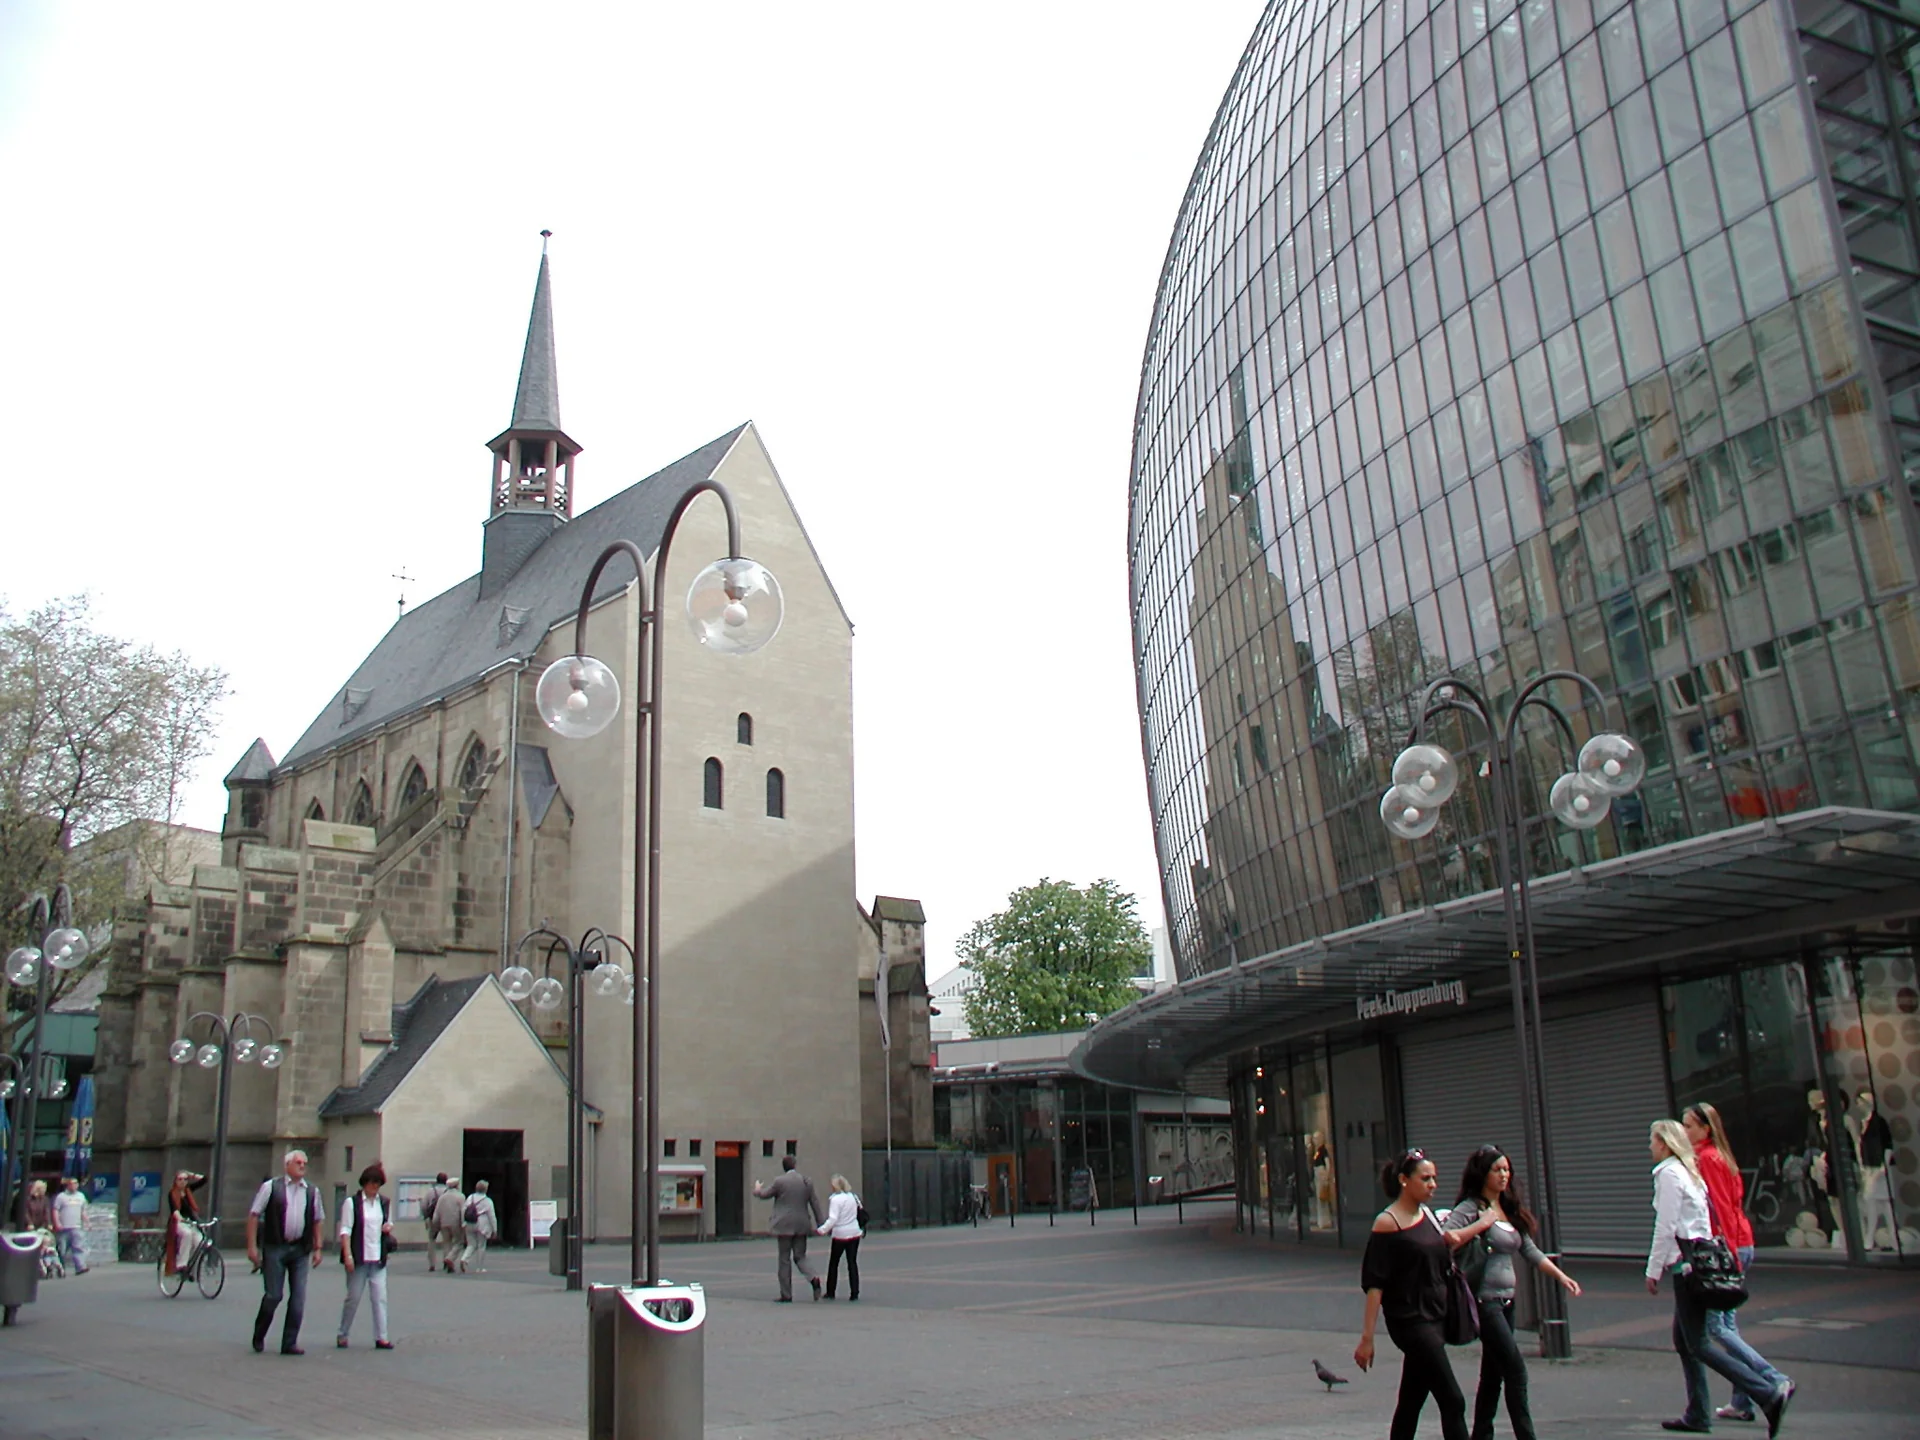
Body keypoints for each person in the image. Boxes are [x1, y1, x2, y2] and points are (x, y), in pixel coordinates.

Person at [1646, 1119, 1794, 1435]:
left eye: (1652, 1141)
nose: (1649, 1147)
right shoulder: (1690, 1172)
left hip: (1685, 1267)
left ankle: (1767, 1392)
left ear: (1664, 1144)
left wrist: (1652, 1269)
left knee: (1698, 1343)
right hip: (1697, 1263)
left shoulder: (1670, 1174)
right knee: (1685, 1341)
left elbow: (1667, 1226)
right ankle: (1698, 1413)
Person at [1355, 1148, 1496, 1440]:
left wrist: (1483, 1223)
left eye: (1435, 1178)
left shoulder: (1428, 1215)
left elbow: (1450, 1244)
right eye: (1426, 1178)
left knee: (1411, 1399)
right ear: (1405, 1180)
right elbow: (1374, 1284)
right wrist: (1367, 1338)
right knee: (1453, 1399)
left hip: (1435, 1314)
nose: (1433, 1184)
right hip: (1409, 1320)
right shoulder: (1387, 1223)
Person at [1444, 1146, 1582, 1440]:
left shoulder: (1509, 1207)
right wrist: (1481, 1225)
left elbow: (1529, 1250)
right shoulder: (1471, 1207)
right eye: (1497, 1170)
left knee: (1493, 1374)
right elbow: (1448, 1239)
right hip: (1485, 1300)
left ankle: (1481, 1434)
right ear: (1483, 1174)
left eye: (1507, 1170)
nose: (1504, 1175)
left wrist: (1560, 1275)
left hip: (1507, 1301)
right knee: (1516, 1369)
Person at [1683, 1104, 1788, 1425]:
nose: (1684, 1132)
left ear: (1705, 1129)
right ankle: (1741, 1401)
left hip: (1730, 1245)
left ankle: (1773, 1379)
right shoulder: (1720, 1157)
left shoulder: (1706, 1159)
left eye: (1689, 1126)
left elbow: (1721, 1209)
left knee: (1718, 1328)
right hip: (1740, 1242)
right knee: (1728, 1326)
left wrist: (1725, 1254)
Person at [246, 1148, 325, 1355]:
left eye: (304, 1163)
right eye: (298, 1162)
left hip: (300, 1248)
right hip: (275, 1247)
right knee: (273, 1295)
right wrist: (252, 1246)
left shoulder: (311, 1191)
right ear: (287, 1165)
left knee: (298, 1297)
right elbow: (254, 1215)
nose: (302, 1166)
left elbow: (317, 1219)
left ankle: (289, 1342)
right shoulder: (271, 1187)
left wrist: (318, 1248)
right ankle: (259, 1333)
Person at [336, 1163, 395, 1350]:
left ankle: (382, 1337)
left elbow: (388, 1222)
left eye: (377, 1184)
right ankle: (343, 1333)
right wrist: (348, 1255)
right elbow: (345, 1229)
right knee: (353, 1297)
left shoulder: (384, 1203)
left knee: (380, 1298)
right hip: (359, 1256)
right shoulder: (352, 1203)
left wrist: (387, 1228)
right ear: (364, 1183)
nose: (374, 1187)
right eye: (371, 1183)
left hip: (377, 1257)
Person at [753, 1154, 826, 1301]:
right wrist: (821, 1223)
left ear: (783, 1166)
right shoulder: (806, 1181)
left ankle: (786, 1294)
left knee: (784, 1259)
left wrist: (757, 1189)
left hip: (784, 1225)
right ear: (795, 1165)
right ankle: (813, 1279)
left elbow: (765, 1194)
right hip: (802, 1223)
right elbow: (814, 1202)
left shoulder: (780, 1181)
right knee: (800, 1256)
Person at [818, 1173, 863, 1300]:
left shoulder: (835, 1199)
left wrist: (822, 1230)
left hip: (840, 1234)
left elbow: (833, 1218)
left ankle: (831, 1291)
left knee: (834, 1263)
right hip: (854, 1232)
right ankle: (855, 1292)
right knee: (852, 1262)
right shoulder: (853, 1197)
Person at [164, 1170, 207, 1278]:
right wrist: (181, 1219)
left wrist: (192, 1175)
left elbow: (204, 1180)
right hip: (178, 1222)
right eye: (180, 1179)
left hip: (191, 1221)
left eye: (185, 1179)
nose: (183, 1181)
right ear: (176, 1181)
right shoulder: (172, 1193)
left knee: (200, 1241)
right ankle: (181, 1265)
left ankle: (193, 1268)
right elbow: (174, 1210)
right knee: (186, 1234)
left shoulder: (189, 1190)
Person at [52, 1177, 88, 1275]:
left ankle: (80, 1267)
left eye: (76, 1183)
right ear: (67, 1185)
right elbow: (55, 1210)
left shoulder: (81, 1196)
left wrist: (86, 1222)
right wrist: (57, 1223)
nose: (74, 1186)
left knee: (78, 1247)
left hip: (76, 1226)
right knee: (62, 1250)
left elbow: (83, 1210)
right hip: (64, 1227)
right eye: (71, 1184)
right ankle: (60, 1268)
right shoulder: (61, 1197)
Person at [430, 1176, 467, 1273]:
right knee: (459, 1242)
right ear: (457, 1186)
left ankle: (447, 1262)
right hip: (456, 1223)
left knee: (446, 1243)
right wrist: (464, 1223)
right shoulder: (460, 1196)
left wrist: (435, 1223)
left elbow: (437, 1212)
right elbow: (463, 1210)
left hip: (443, 1223)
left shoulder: (442, 1197)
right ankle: (450, 1259)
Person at [461, 1179, 497, 1273]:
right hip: (482, 1224)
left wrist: (463, 1222)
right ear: (486, 1189)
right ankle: (479, 1267)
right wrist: (494, 1229)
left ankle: (464, 1259)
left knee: (471, 1244)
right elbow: (491, 1216)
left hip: (469, 1223)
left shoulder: (470, 1197)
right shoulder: (487, 1201)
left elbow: (463, 1210)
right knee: (481, 1246)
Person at [423, 1172, 450, 1273]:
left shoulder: (431, 1191)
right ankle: (446, 1261)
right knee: (447, 1241)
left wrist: (426, 1217)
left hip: (432, 1218)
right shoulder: (448, 1191)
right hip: (444, 1219)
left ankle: (432, 1264)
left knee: (432, 1240)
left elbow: (424, 1205)